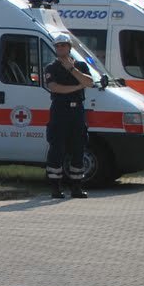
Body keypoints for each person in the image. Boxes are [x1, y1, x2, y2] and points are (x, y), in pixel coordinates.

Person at [44, 32, 94, 199]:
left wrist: (72, 70)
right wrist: (77, 87)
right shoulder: (51, 67)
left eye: (63, 45)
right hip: (60, 111)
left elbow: (89, 82)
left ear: (69, 47)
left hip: (77, 111)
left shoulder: (81, 65)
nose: (60, 48)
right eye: (57, 46)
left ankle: (76, 187)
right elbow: (55, 88)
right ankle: (56, 188)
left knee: (78, 148)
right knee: (56, 148)